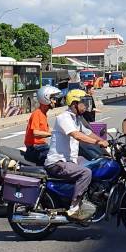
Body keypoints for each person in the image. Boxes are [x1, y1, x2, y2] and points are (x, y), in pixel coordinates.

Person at [44, 89, 109, 219]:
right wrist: (98, 142)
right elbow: (76, 135)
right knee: (86, 172)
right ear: (74, 104)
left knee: (96, 163)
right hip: (58, 162)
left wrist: (105, 142)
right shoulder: (64, 117)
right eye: (83, 103)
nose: (85, 106)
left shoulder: (77, 119)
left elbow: (87, 132)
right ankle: (74, 206)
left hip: (70, 160)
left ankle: (91, 197)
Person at [23, 85, 60, 165]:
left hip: (41, 147)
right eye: (53, 99)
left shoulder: (43, 114)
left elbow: (47, 129)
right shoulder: (37, 114)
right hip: (34, 149)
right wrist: (52, 134)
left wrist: (61, 132)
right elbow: (35, 133)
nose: (55, 101)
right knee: (55, 159)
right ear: (45, 98)